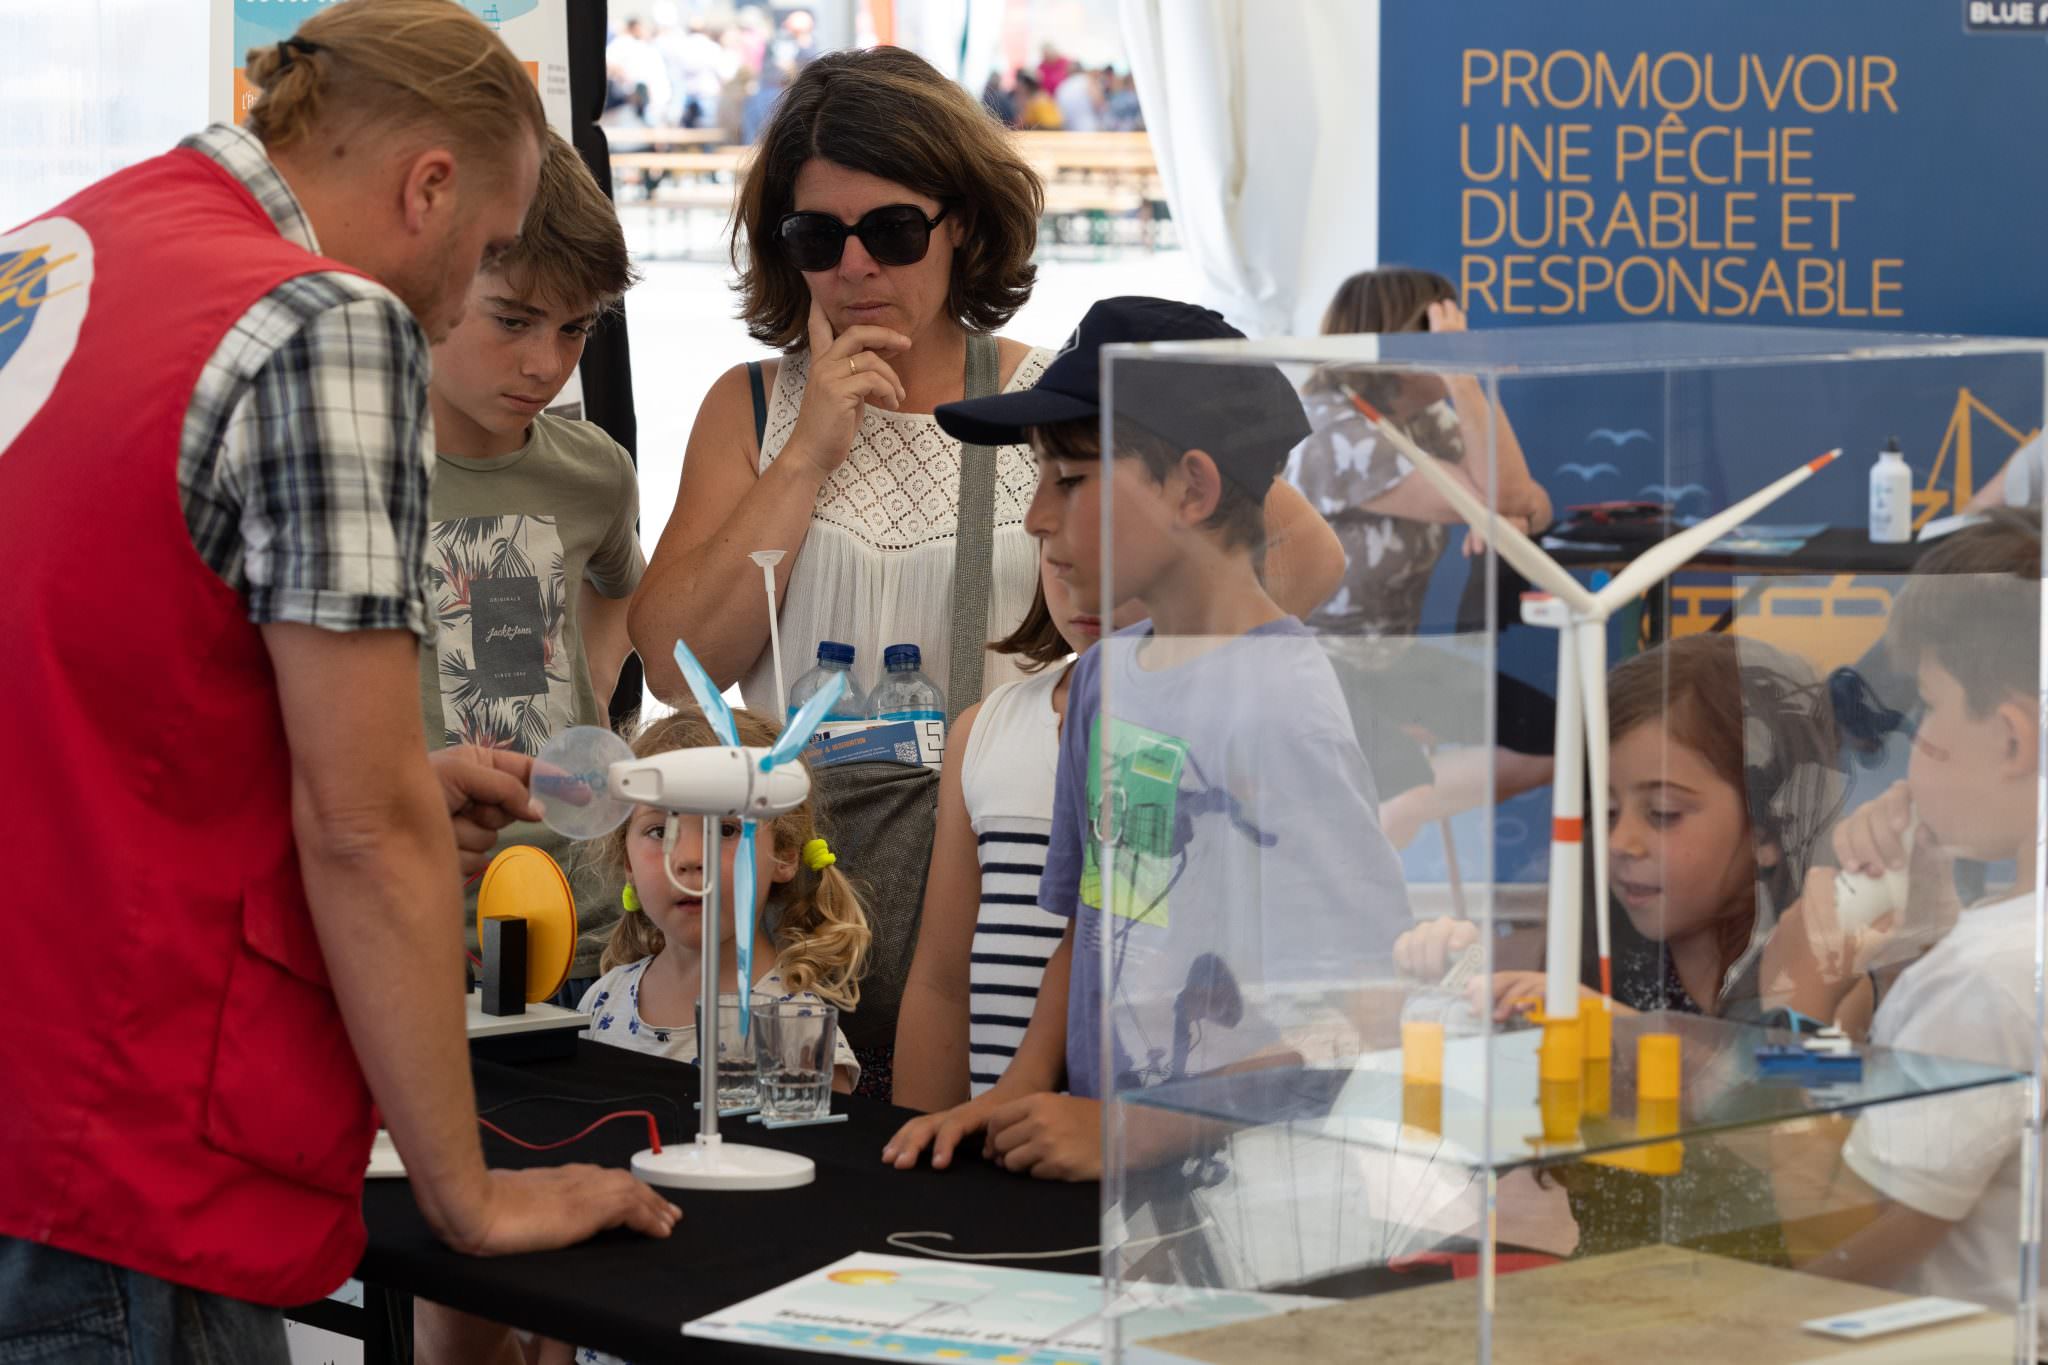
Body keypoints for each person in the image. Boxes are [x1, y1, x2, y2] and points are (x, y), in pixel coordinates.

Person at [0, 2, 674, 1358]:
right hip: (123, 1139)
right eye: (489, 252)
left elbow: (102, 689)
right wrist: (467, 1201)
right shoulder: (318, 321)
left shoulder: (57, 251)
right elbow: (360, 827)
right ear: (429, 183)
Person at [630, 47, 1342, 716]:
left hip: (1006, 834)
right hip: (802, 840)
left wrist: (1109, 703)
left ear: (963, 223)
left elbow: (1306, 553)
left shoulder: (1046, 399)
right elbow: (672, 668)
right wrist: (804, 458)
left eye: (894, 230)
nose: (855, 266)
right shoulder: (751, 406)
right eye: (817, 236)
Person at [882, 296, 1411, 1180]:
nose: (1036, 518)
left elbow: (1366, 1006)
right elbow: (1097, 921)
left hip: (1248, 1199)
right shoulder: (1104, 681)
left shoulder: (1281, 704)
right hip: (1105, 1193)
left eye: (1074, 480)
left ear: (1193, 490)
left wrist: (1136, 1130)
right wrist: (1013, 1089)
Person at [417, 706, 867, 1365]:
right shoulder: (601, 1002)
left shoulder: (794, 1029)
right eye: (658, 830)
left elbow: (791, 1239)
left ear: (785, 854)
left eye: (728, 827)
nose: (689, 858)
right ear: (624, 859)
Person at [1758, 511, 2044, 1331]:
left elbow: (1822, 1238)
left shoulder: (1991, 976)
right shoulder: (1985, 951)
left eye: (1928, 710)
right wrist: (1904, 951)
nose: (1914, 750)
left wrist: (1804, 993)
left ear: (2013, 736)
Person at [423, 129, 644, 991]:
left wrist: (590, 684)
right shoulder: (349, 471)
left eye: (576, 328)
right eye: (512, 320)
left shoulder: (593, 469)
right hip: (418, 918)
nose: (546, 363)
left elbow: (620, 588)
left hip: (585, 919)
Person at [1397, 633, 1843, 1019]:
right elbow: (1515, 969)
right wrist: (1458, 963)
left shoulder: (1821, 962)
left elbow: (1760, 1090)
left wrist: (1618, 1028)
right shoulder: (1609, 940)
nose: (1618, 842)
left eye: (1663, 814)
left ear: (1769, 829)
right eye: (1607, 812)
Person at [1291, 267, 1556, 848]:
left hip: (1387, 659)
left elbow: (1528, 502)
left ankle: (1392, 810)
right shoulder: (1333, 430)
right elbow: (1507, 494)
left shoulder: (1418, 421)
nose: (1463, 337)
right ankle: (1385, 832)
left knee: (1557, 738)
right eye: (1447, 327)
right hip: (1313, 666)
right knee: (1405, 790)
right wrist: (1465, 379)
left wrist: (1503, 508)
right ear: (1406, 337)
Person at [891, 555, 1145, 1110]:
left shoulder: (1196, 725)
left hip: (1134, 1164)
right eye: (1061, 551)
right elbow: (942, 981)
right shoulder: (983, 729)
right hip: (996, 1159)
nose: (1090, 579)